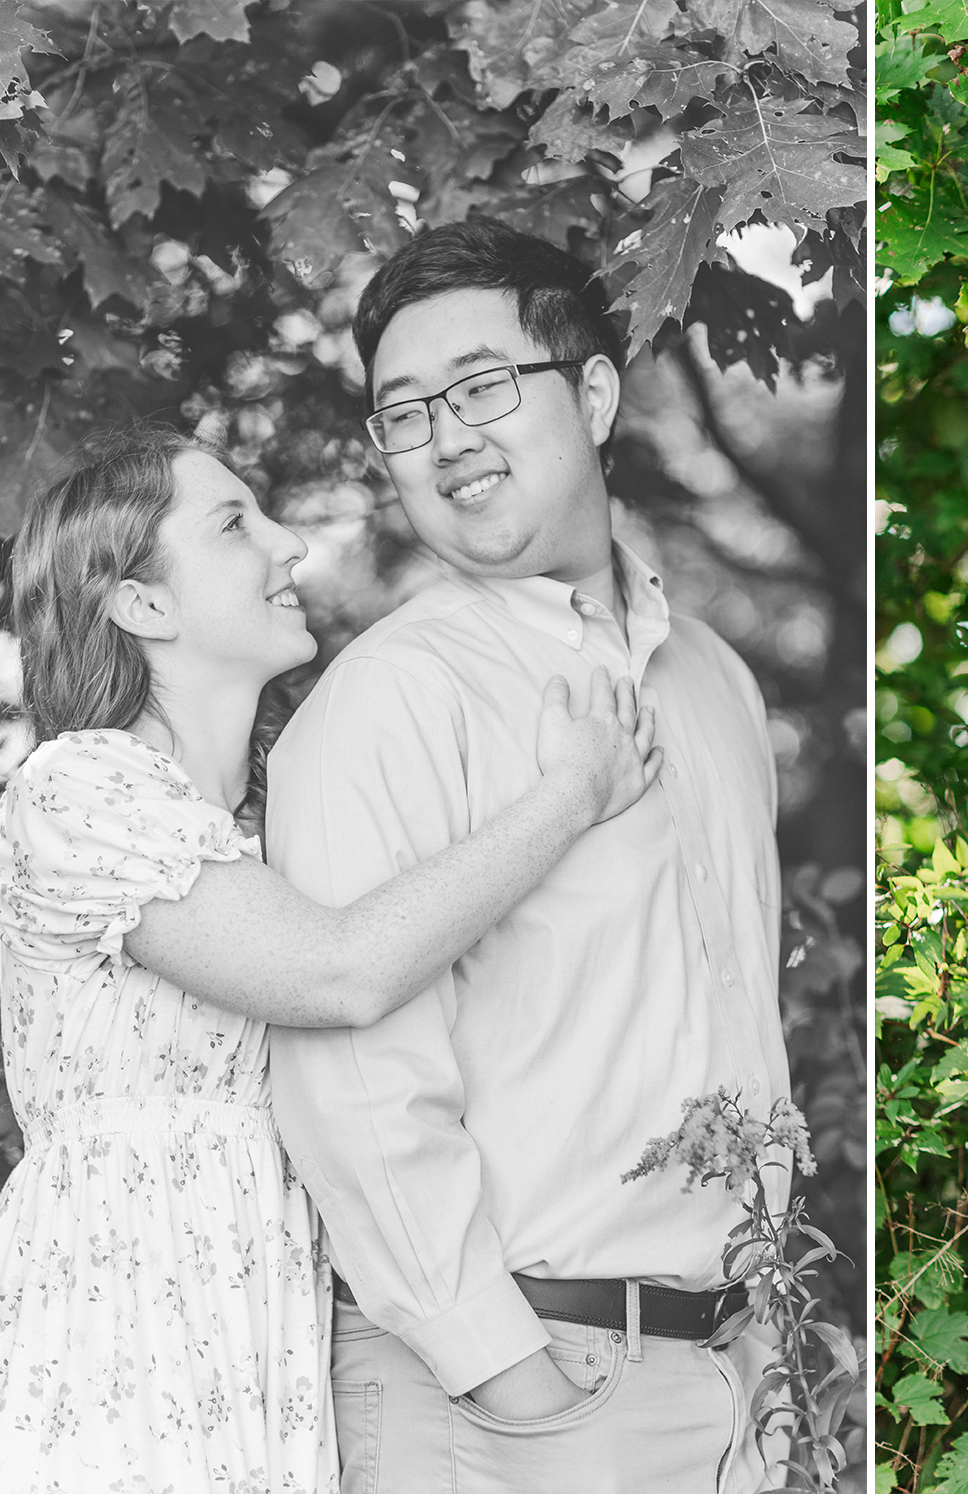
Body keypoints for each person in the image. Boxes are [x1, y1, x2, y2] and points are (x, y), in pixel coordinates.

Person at [0, 428, 661, 1494]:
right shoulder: (78, 793)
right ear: (141, 604)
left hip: (262, 1319)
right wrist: (568, 795)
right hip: (119, 1323)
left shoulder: (276, 822)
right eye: (234, 525)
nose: (289, 547)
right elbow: (337, 974)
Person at [263, 219, 791, 1494]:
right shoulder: (388, 700)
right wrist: (511, 1379)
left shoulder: (712, 682)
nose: (447, 438)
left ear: (593, 394)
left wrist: (768, 1353)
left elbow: (739, 1015)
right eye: (404, 414)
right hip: (506, 1406)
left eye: (483, 387)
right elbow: (354, 1083)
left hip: (732, 1385)